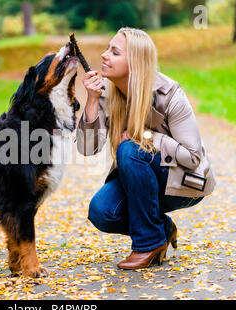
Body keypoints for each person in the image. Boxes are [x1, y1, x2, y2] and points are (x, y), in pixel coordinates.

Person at [76, 27, 216, 270]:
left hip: (184, 183)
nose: (104, 55)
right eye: (108, 48)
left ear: (136, 62)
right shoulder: (108, 94)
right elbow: (88, 148)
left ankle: (148, 244)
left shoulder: (169, 93)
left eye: (115, 52)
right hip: (141, 177)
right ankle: (160, 227)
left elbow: (192, 157)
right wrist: (91, 99)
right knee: (102, 212)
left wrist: (147, 137)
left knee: (131, 149)